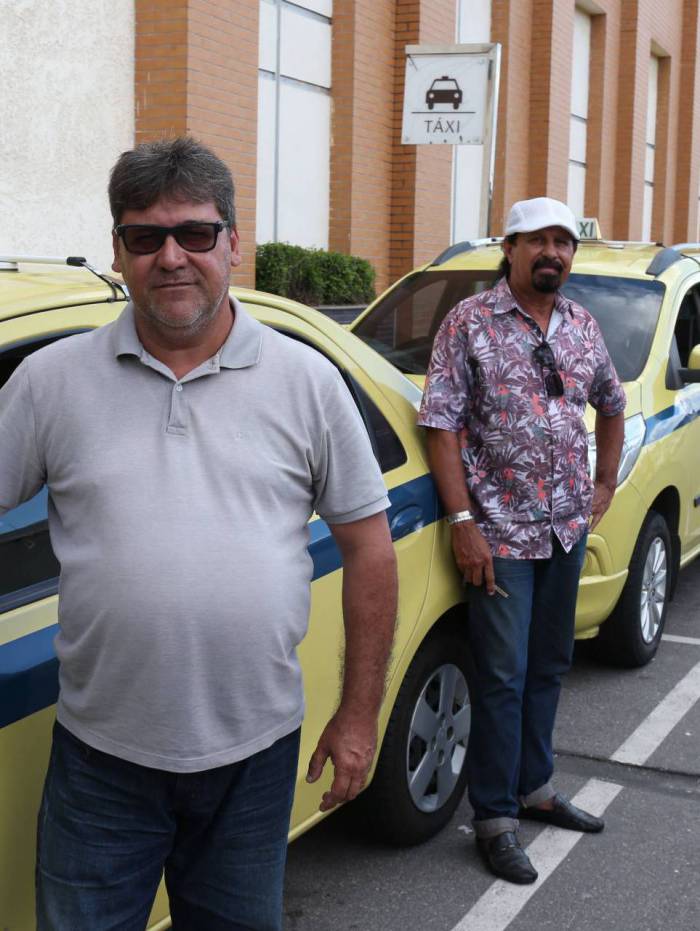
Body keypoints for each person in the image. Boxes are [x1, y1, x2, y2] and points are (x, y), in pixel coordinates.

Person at [0, 137, 397, 930]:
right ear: (119, 251)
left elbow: (370, 551)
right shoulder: (50, 382)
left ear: (234, 242)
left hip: (253, 761)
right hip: (100, 759)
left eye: (196, 232)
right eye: (146, 236)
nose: (172, 256)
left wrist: (359, 716)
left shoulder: (308, 382)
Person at [417, 197, 625, 884]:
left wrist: (605, 485)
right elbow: (441, 424)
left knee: (550, 664)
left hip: (565, 528)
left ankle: (536, 786)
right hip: (500, 532)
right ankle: (496, 816)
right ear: (508, 247)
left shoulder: (581, 324)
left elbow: (613, 404)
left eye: (564, 242)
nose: (554, 253)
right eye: (539, 240)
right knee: (502, 677)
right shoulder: (469, 323)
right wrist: (461, 522)